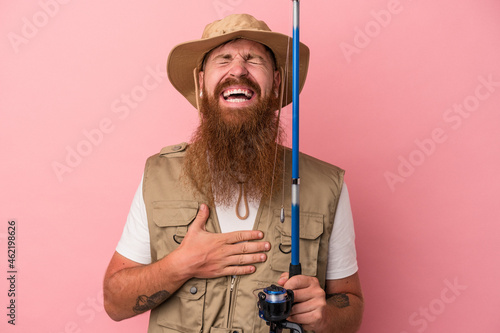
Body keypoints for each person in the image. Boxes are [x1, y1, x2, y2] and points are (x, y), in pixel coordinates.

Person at [103, 13, 364, 333]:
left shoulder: (325, 186)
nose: (238, 69)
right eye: (223, 58)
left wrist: (325, 316)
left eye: (254, 59)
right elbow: (114, 303)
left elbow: (349, 304)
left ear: (277, 82)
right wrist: (181, 264)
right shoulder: (159, 176)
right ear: (201, 83)